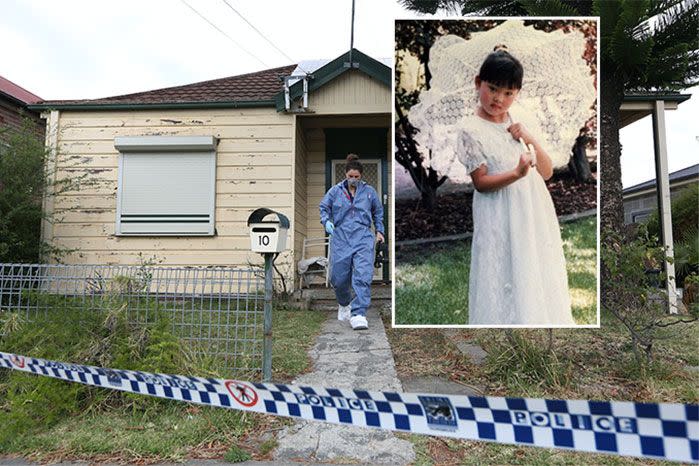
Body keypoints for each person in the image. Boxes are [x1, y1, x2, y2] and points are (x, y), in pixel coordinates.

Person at [459, 46, 575, 325]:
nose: (499, 99)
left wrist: (529, 137)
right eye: (493, 89)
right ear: (479, 83)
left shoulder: (519, 120)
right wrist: (516, 173)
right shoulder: (470, 129)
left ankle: (536, 319)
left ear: (517, 93)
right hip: (498, 209)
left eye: (508, 93)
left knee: (533, 261)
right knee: (503, 266)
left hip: (532, 207)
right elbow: (481, 183)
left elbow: (546, 172)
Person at [319, 154, 385, 330]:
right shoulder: (335, 191)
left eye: (356, 177)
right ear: (345, 174)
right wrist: (326, 221)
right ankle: (344, 303)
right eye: (350, 177)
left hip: (363, 236)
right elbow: (324, 207)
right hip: (341, 237)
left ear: (361, 176)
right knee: (338, 278)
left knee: (363, 275)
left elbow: (378, 212)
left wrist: (379, 231)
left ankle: (359, 314)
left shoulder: (369, 192)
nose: (353, 180)